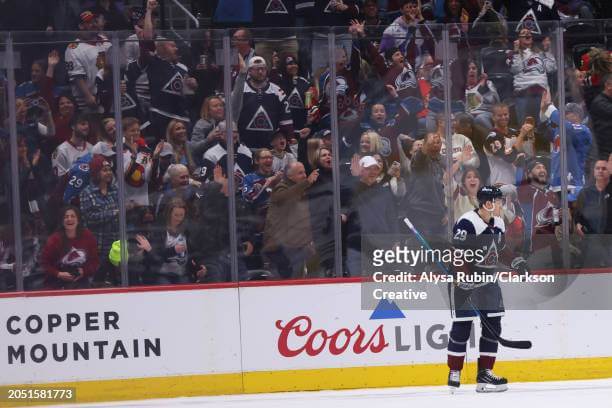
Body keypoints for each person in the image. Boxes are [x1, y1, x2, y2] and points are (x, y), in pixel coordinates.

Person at [447, 185, 529, 393]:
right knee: (462, 327)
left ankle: (484, 375)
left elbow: (499, 249)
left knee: (493, 326)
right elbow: (457, 253)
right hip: (464, 281)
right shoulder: (467, 222)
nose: (502, 204)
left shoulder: (499, 222)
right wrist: (463, 278)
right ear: (487, 203)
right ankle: (454, 370)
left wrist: (516, 262)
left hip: (488, 281)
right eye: (499, 200)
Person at [263, 161, 318, 279]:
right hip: (282, 246)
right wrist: (307, 182)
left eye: (304, 172)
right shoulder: (281, 188)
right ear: (290, 176)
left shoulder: (300, 190)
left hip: (297, 244)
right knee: (289, 280)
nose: (304, 175)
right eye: (300, 173)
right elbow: (285, 198)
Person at [137, 197, 201, 285]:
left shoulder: (187, 230)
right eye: (176, 215)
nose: (179, 219)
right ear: (169, 214)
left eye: (181, 215)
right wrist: (173, 250)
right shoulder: (158, 230)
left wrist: (199, 268)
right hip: (161, 274)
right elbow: (155, 256)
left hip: (182, 273)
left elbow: (194, 253)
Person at [79, 155, 119, 285]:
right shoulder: (87, 193)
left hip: (115, 246)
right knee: (96, 281)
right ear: (96, 173)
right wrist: (113, 213)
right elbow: (90, 218)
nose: (108, 173)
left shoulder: (115, 190)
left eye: (109, 169)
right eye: (104, 170)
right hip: (98, 247)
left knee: (117, 282)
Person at [40, 205, 99, 289]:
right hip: (56, 282)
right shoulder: (54, 240)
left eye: (73, 216)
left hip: (81, 281)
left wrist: (84, 271)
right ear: (62, 221)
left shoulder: (87, 236)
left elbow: (95, 261)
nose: (69, 219)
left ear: (78, 220)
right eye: (66, 217)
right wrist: (58, 274)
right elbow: (44, 263)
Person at [65, 10, 111, 111]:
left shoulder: (103, 39)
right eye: (89, 22)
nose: (93, 24)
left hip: (105, 93)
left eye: (94, 21)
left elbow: (110, 62)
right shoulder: (73, 48)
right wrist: (88, 96)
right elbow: (77, 76)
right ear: (81, 26)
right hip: (86, 99)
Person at [574, 159, 611, 267]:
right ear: (594, 172)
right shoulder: (585, 192)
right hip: (590, 241)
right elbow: (578, 215)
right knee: (590, 271)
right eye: (597, 168)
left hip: (610, 240)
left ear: (609, 171)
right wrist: (578, 224)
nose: (600, 171)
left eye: (604, 168)